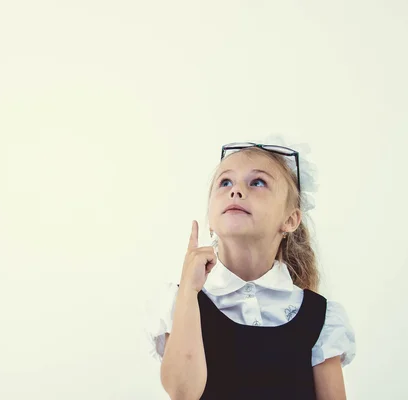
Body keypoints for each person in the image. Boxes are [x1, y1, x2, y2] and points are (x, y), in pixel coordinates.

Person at [145, 140, 356, 399]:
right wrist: (189, 291)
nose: (236, 191)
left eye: (257, 182)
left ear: (290, 219)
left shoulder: (320, 318)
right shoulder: (182, 302)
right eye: (225, 182)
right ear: (211, 218)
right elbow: (183, 392)